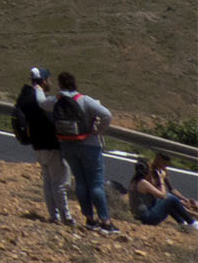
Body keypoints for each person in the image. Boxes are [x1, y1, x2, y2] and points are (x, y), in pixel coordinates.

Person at [51, 71, 118, 232]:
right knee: (96, 184)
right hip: (89, 144)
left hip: (67, 144)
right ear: (75, 84)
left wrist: (37, 86)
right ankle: (106, 221)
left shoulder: (56, 101)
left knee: (80, 182)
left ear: (60, 85)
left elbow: (41, 102)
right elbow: (107, 115)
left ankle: (89, 219)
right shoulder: (85, 100)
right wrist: (98, 131)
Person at [13, 67, 72, 225]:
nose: (50, 83)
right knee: (59, 182)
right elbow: (51, 122)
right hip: (50, 144)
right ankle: (66, 216)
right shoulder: (40, 102)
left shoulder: (24, 99)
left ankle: (54, 215)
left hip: (37, 145)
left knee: (48, 181)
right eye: (48, 80)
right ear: (44, 80)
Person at [128, 152, 198, 228]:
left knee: (169, 200)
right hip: (147, 213)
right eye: (164, 164)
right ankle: (192, 222)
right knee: (169, 198)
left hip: (145, 207)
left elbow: (172, 189)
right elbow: (161, 195)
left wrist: (184, 199)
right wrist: (161, 179)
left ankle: (181, 221)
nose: (166, 166)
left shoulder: (135, 181)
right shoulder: (146, 179)